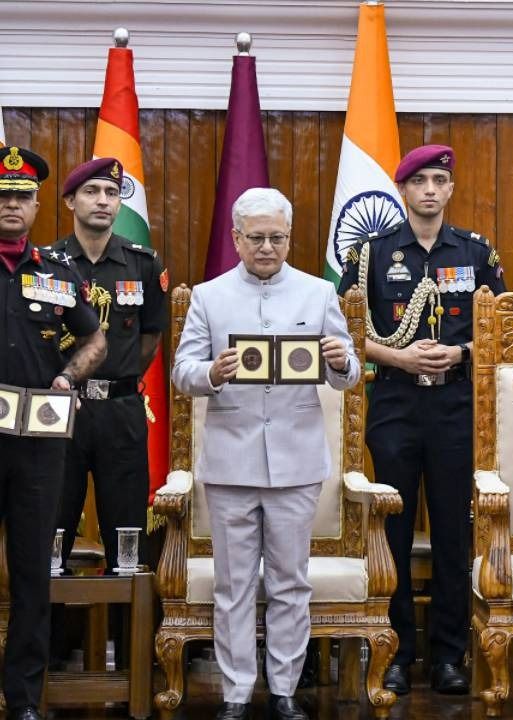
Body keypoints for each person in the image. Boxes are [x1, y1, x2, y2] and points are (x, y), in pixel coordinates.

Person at [171, 187, 360, 720]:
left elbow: (345, 379)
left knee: (289, 581)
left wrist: (341, 360)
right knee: (233, 586)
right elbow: (182, 372)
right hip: (231, 462)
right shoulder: (209, 297)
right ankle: (234, 693)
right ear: (236, 238)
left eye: (277, 237)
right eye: (256, 238)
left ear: (289, 238)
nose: (268, 248)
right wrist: (211, 373)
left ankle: (283, 689)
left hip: (296, 462)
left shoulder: (318, 293)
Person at [337, 144, 506, 695]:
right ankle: (395, 651)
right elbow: (343, 330)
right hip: (395, 405)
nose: (430, 189)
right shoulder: (371, 254)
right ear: (403, 189)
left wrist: (460, 355)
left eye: (440, 180)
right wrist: (397, 357)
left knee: (456, 534)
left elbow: (498, 331)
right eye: (420, 181)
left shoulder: (475, 253)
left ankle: (448, 656)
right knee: (392, 530)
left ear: (451, 189)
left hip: (456, 407)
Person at [0, 145, 106, 720]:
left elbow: (95, 340)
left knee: (32, 574)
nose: (11, 205)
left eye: (21, 196)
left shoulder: (57, 273)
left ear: (38, 205)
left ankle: (23, 699)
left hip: (39, 445)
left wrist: (68, 376)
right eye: (2, 195)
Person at [51, 157, 169, 573]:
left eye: (112, 193)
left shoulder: (144, 264)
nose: (103, 201)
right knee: (54, 526)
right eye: (91, 192)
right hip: (63, 411)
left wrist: (117, 377)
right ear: (69, 201)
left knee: (127, 534)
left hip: (121, 411)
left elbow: (151, 339)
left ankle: (127, 638)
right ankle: (55, 640)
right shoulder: (49, 265)